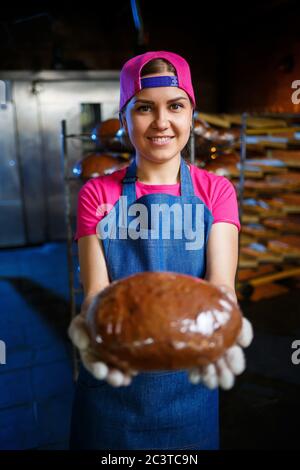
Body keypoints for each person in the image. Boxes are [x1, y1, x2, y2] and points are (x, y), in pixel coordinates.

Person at [68, 50, 253, 450]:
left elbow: (220, 284)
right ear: (124, 119)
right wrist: (94, 325)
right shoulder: (96, 193)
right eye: (144, 108)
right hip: (113, 378)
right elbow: (97, 293)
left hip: (190, 381)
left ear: (192, 116)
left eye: (176, 106)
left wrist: (225, 325)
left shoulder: (216, 191)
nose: (162, 122)